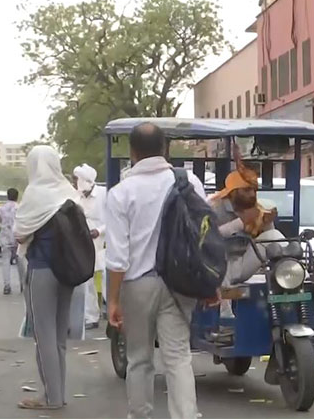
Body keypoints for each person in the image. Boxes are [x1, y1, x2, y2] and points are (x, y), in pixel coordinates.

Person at [106, 123, 204, 419]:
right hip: (180, 282)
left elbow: (118, 258)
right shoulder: (190, 183)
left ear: (132, 152)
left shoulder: (121, 193)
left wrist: (112, 300)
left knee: (139, 359)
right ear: (165, 149)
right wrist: (208, 283)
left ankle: (141, 414)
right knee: (178, 357)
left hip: (137, 285)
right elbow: (203, 235)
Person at [14, 146, 80, 410]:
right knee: (59, 337)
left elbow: (20, 234)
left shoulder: (35, 194)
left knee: (43, 337)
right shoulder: (69, 192)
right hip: (68, 272)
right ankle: (57, 393)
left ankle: (51, 398)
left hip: (42, 270)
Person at [209, 168, 280, 319]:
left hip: (243, 262)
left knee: (275, 236)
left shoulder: (257, 208)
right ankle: (226, 321)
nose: (252, 195)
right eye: (246, 190)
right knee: (220, 268)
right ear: (233, 191)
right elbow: (208, 237)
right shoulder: (214, 207)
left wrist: (266, 223)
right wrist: (241, 222)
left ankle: (300, 279)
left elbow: (269, 240)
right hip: (220, 264)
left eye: (254, 190)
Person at [73, 164, 107, 330]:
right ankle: (91, 316)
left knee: (108, 278)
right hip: (84, 243)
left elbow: (113, 218)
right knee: (88, 280)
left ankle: (113, 309)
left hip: (104, 243)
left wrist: (99, 231)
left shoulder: (103, 194)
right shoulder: (76, 197)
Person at [0, 188, 22, 294]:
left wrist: (3, 226)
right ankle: (22, 284)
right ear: (17, 196)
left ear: (8, 196)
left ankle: (7, 286)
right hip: (18, 237)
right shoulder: (20, 208)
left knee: (6, 262)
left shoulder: (1, 209)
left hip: (5, 237)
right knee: (20, 262)